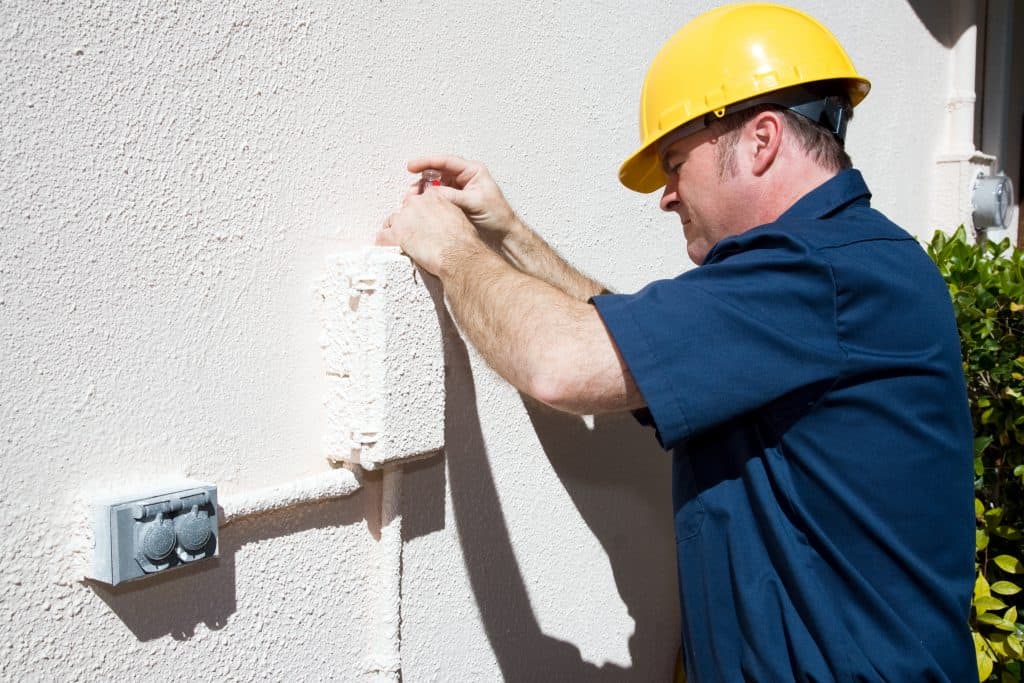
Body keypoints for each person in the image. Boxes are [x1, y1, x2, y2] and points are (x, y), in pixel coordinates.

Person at [378, 3, 976, 681]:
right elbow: (634, 337)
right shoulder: (831, 270)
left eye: (673, 162)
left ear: (760, 140)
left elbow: (562, 362)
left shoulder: (821, 274)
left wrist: (453, 252)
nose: (664, 195)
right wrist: (509, 235)